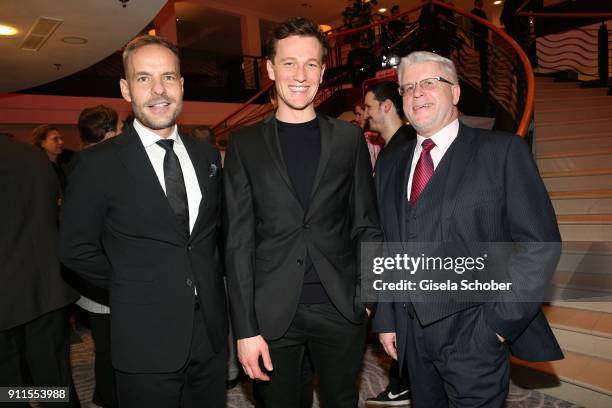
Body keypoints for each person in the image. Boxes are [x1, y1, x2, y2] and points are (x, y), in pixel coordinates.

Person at [372, 51, 563, 407]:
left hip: (475, 332)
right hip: (411, 334)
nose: (417, 93)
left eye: (429, 83)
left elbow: (540, 245)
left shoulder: (502, 151)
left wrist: (496, 326)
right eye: (408, 87)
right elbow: (387, 245)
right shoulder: (391, 165)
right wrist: (386, 317)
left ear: (456, 93)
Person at [59, 35, 228, 408]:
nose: (158, 90)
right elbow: (74, 249)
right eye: (143, 78)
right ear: (125, 89)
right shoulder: (96, 164)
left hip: (210, 333)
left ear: (182, 85)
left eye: (168, 77)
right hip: (144, 334)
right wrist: (131, 284)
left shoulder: (207, 157)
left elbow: (214, 237)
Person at [224, 17, 382, 408]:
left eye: (311, 63)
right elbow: (238, 242)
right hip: (272, 311)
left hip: (341, 307)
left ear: (323, 70)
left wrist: (368, 295)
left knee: (341, 401)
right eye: (289, 62)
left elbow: (367, 223)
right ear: (270, 68)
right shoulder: (244, 144)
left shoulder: (348, 139)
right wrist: (244, 328)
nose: (300, 74)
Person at [0, 134, 80, 407]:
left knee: (7, 386)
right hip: (45, 285)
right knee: (54, 379)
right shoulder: (31, 154)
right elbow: (55, 206)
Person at [363, 81, 415, 407]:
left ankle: (402, 383)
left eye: (368, 106)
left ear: (385, 106)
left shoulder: (406, 148)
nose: (364, 114)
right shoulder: (393, 147)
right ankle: (403, 382)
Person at [71, 104, 122, 408]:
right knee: (109, 348)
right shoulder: (96, 166)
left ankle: (104, 394)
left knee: (107, 346)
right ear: (108, 131)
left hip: (97, 277)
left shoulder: (82, 163)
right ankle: (108, 396)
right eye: (117, 128)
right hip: (103, 275)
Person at [30, 124, 68, 192]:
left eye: (61, 138)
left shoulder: (64, 165)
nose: (61, 142)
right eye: (55, 139)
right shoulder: (39, 167)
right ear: (42, 143)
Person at [470, 0, 489, 95]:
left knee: (484, 50)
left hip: (484, 34)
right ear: (476, 3)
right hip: (478, 34)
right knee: (479, 50)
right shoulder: (473, 12)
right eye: (480, 2)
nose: (482, 3)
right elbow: (474, 22)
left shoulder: (483, 12)